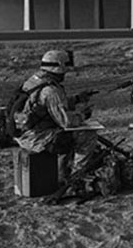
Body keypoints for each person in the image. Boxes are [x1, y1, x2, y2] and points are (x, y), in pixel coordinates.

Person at [14, 50, 97, 179]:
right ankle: (77, 176)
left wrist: (76, 99)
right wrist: (83, 116)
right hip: (36, 138)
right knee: (87, 135)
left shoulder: (33, 81)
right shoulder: (51, 90)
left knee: (64, 135)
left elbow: (47, 107)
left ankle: (62, 171)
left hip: (24, 133)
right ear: (59, 68)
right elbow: (67, 122)